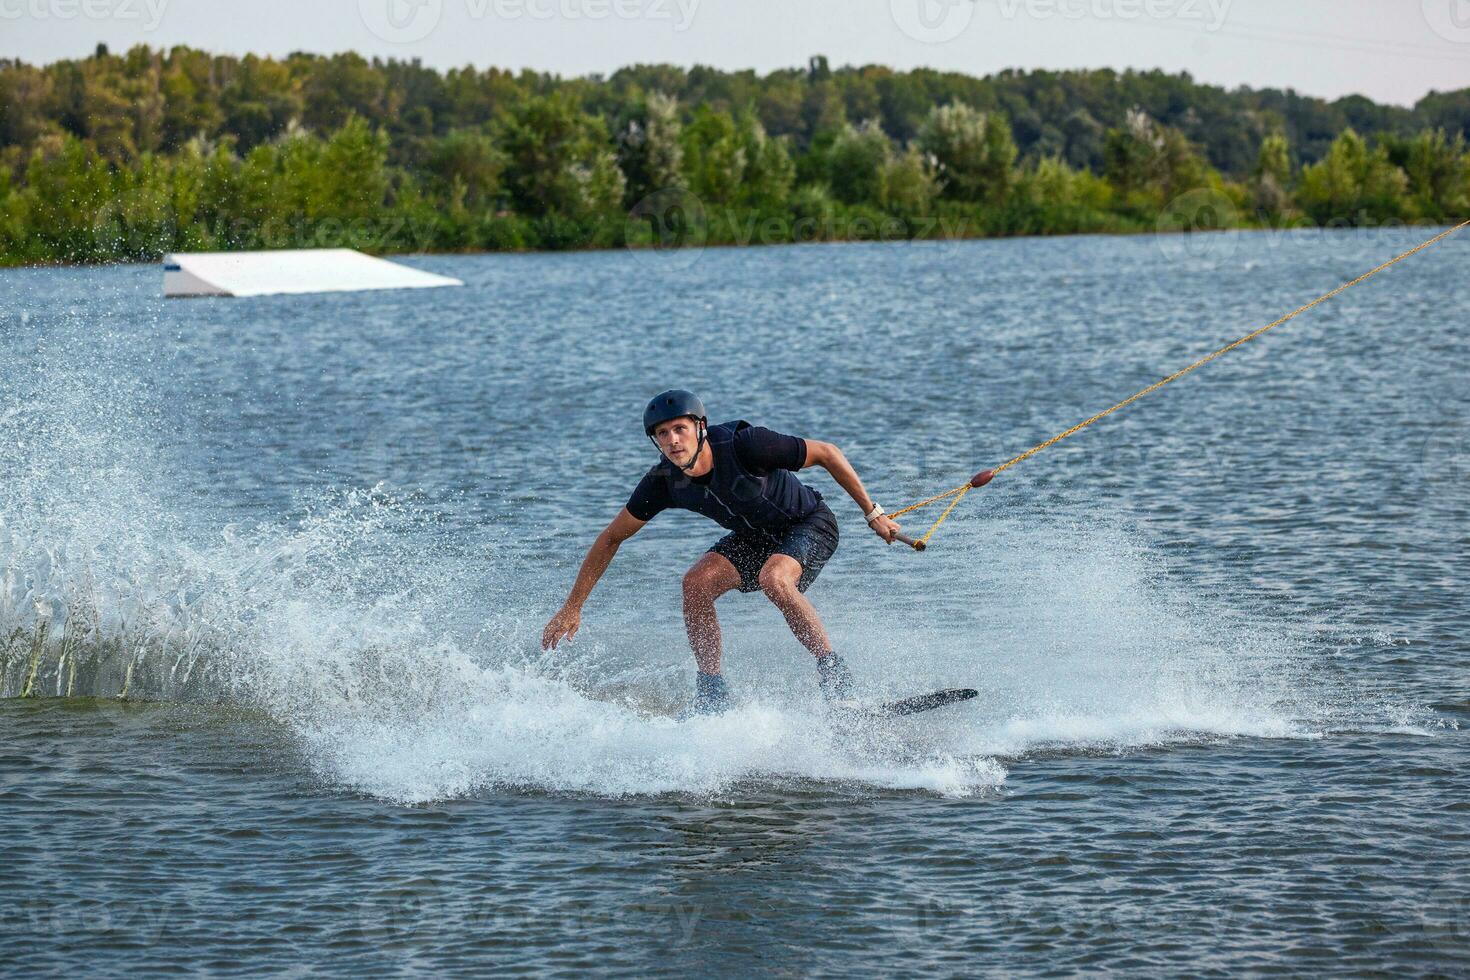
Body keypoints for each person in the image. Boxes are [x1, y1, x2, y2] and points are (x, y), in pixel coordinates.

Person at [540, 389, 903, 715]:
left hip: (809, 524)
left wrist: (873, 514)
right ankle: (712, 695)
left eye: (679, 428)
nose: (672, 440)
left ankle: (838, 682)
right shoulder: (664, 481)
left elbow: (827, 453)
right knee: (695, 583)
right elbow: (610, 538)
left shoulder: (748, 445)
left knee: (774, 578)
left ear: (700, 427)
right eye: (662, 434)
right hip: (752, 537)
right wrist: (573, 606)